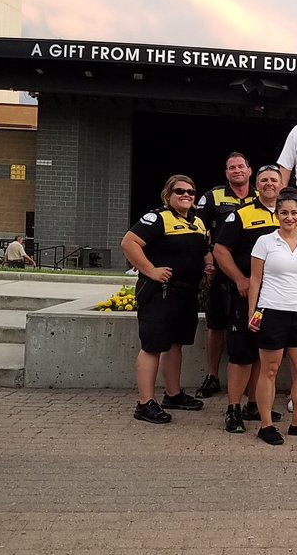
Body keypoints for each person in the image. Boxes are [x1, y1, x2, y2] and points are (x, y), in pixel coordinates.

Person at [119, 175, 212, 424]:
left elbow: (203, 251)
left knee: (175, 344)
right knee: (152, 346)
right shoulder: (157, 218)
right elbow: (129, 243)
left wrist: (208, 266)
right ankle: (145, 403)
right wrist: (150, 270)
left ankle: (173, 394)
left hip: (186, 293)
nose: (186, 195)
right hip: (160, 292)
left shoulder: (198, 223)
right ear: (168, 195)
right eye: (179, 191)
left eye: (191, 192)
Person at [247, 188, 297, 445]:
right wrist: (253, 312)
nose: (289, 217)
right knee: (269, 370)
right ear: (277, 215)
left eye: (294, 212)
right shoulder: (265, 242)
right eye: (284, 213)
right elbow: (255, 280)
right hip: (272, 312)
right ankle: (266, 425)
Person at [213, 165, 284, 433]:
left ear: (280, 184)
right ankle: (233, 409)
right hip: (247, 296)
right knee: (242, 354)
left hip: (277, 299)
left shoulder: (288, 214)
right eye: (264, 180)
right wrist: (239, 279)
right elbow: (220, 250)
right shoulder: (241, 215)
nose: (269, 184)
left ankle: (254, 404)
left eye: (273, 180)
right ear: (257, 183)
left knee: (263, 352)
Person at [194, 152, 257, 399]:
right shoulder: (213, 196)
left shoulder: (261, 195)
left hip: (254, 273)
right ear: (226, 173)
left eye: (241, 166)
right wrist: (207, 262)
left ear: (250, 170)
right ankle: (212, 376)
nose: (237, 170)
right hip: (221, 272)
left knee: (251, 325)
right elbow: (199, 231)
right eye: (232, 167)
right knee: (216, 324)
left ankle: (250, 384)